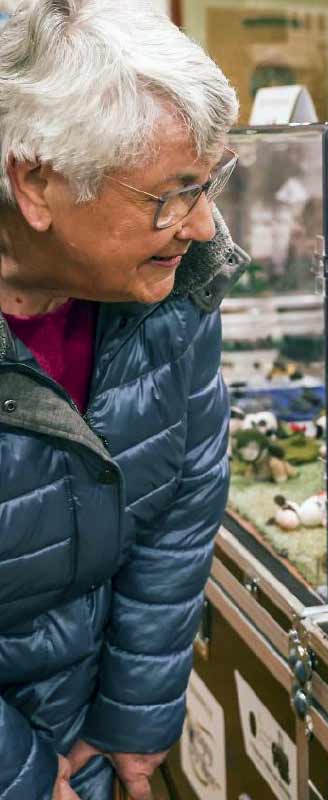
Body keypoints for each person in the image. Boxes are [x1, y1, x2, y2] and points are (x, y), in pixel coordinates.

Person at [0, 1, 246, 798]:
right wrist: (18, 775)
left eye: (209, 182)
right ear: (36, 182)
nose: (202, 225)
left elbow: (181, 503)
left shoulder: (167, 296)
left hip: (82, 739)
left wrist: (133, 715)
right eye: (172, 194)